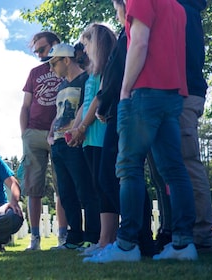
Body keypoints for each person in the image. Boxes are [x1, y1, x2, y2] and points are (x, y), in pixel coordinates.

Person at [86, 0, 198, 263]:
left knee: (129, 168)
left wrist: (124, 91)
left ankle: (126, 246)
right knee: (174, 169)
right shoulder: (177, 8)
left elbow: (139, 42)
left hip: (143, 93)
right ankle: (183, 244)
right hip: (172, 95)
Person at [82, 0, 156, 260]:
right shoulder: (127, 33)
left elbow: (119, 77)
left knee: (120, 176)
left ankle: (136, 238)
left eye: (117, 8)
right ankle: (138, 239)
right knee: (115, 178)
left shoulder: (130, 34)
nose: (117, 14)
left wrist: (106, 101)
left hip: (124, 108)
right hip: (117, 109)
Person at [150, 0, 212, 253]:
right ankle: (176, 229)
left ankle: (199, 234)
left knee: (187, 163)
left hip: (183, 92)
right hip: (177, 91)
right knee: (172, 167)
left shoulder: (182, 10)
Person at [66, 24, 117, 253]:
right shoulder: (90, 73)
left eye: (86, 44)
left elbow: (98, 100)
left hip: (100, 135)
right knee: (99, 187)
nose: (84, 50)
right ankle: (105, 240)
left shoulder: (105, 69)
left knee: (106, 186)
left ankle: (108, 239)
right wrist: (76, 130)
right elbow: (84, 104)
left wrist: (83, 127)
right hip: (88, 137)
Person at [45, 43, 98, 249]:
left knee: (85, 190)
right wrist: (51, 133)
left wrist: (75, 131)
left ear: (67, 59)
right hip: (57, 145)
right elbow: (58, 113)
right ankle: (74, 238)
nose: (51, 69)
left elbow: (86, 107)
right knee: (66, 193)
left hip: (76, 142)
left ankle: (93, 237)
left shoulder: (86, 79)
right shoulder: (61, 86)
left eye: (54, 63)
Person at [20, 31, 68, 250]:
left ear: (55, 44)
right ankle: (35, 239)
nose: (39, 54)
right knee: (33, 188)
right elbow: (25, 106)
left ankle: (63, 237)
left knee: (63, 186)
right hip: (34, 134)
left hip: (59, 134)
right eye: (36, 50)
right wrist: (25, 134)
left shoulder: (66, 66)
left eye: (42, 49)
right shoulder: (34, 72)